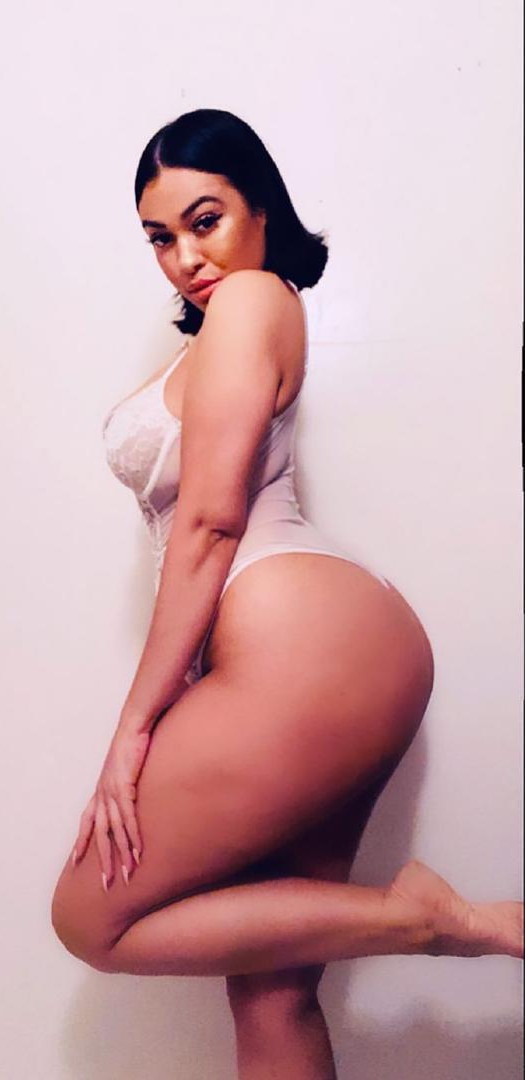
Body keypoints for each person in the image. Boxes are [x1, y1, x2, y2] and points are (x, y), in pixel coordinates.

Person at [51, 109, 523, 1079]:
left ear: (260, 208)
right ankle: (419, 919)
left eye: (205, 220)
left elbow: (210, 522)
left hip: (299, 641)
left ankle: (430, 921)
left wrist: (134, 727)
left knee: (89, 919)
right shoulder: (233, 322)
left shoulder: (252, 298)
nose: (185, 258)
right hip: (329, 652)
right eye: (159, 238)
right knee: (270, 993)